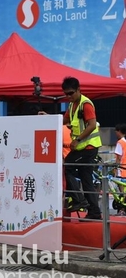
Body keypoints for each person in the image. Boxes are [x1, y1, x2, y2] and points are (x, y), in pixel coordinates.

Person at [42, 77, 102, 220]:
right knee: (86, 180)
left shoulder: (85, 104)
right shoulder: (72, 105)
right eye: (66, 94)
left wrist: (77, 140)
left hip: (88, 147)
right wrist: (48, 117)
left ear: (78, 90)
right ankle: (94, 213)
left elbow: (92, 125)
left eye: (71, 93)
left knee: (68, 165)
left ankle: (79, 200)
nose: (68, 96)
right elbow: (64, 120)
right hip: (82, 148)